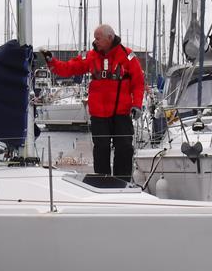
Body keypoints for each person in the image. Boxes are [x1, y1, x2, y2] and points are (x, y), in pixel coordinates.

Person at [43, 24, 145, 181]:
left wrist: (137, 105)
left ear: (109, 38)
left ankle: (123, 181)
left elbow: (138, 83)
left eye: (98, 38)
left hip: (121, 112)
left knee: (124, 147)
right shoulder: (90, 56)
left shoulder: (128, 56)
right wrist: (52, 62)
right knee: (101, 148)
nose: (95, 41)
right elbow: (69, 68)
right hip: (99, 114)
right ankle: (102, 180)